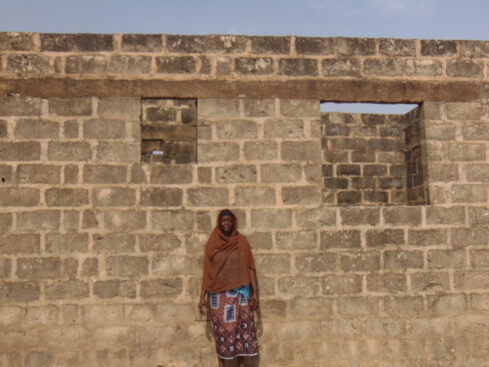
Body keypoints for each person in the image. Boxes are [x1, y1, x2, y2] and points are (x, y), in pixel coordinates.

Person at [199, 209, 259, 367]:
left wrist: (255, 294)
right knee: (223, 335)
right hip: (218, 297)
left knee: (243, 333)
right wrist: (201, 297)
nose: (226, 223)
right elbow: (207, 272)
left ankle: (242, 364)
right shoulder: (212, 244)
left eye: (229, 220)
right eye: (223, 220)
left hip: (240, 294)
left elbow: (250, 268)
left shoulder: (242, 242)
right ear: (219, 223)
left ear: (234, 222)